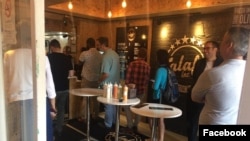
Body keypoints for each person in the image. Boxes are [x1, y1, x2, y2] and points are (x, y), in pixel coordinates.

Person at [191, 27, 249, 125]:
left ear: (229, 45)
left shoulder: (212, 74)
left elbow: (195, 96)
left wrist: (210, 97)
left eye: (222, 41)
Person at [3, 21, 35, 141]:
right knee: (32, 133)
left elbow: (5, 81)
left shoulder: (8, 55)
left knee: (15, 134)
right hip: (33, 99)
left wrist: (6, 98)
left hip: (13, 99)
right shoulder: (37, 55)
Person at [187, 41, 223, 141]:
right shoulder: (200, 62)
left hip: (211, 102)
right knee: (192, 124)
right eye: (204, 48)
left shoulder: (221, 63)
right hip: (196, 100)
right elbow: (195, 80)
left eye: (208, 48)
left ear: (215, 49)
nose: (205, 51)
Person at [47, 39, 74, 139]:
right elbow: (71, 74)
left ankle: (49, 130)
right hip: (64, 88)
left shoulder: (48, 58)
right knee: (61, 109)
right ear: (59, 47)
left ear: (52, 47)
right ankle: (59, 129)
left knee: (51, 110)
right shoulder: (67, 58)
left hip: (52, 90)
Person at [124, 47, 150, 130]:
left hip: (132, 90)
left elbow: (127, 80)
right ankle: (136, 125)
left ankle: (130, 124)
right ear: (145, 56)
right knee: (138, 107)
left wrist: (128, 85)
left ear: (138, 54)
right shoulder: (147, 66)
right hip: (141, 90)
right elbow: (147, 81)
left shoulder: (132, 64)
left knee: (127, 106)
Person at [97, 37, 120, 130]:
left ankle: (108, 124)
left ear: (103, 45)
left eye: (98, 44)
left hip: (107, 85)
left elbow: (106, 74)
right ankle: (114, 122)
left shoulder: (106, 56)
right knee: (113, 105)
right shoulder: (115, 54)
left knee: (108, 105)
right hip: (116, 84)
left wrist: (99, 80)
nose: (97, 47)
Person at [77, 37, 102, 121]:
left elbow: (79, 63)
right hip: (96, 79)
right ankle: (96, 115)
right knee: (95, 98)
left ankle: (84, 117)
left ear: (87, 44)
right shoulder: (99, 55)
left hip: (86, 78)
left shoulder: (85, 53)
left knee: (85, 98)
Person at [150, 49, 169, 141]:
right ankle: (160, 139)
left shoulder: (160, 70)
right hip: (165, 97)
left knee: (151, 118)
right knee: (161, 119)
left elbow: (156, 87)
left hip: (158, 97)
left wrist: (153, 83)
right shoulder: (168, 69)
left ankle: (153, 137)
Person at [45, 56, 57, 141]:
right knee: (45, 131)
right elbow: (50, 83)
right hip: (40, 100)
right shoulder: (42, 57)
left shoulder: (8, 55)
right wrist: (52, 108)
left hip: (14, 100)